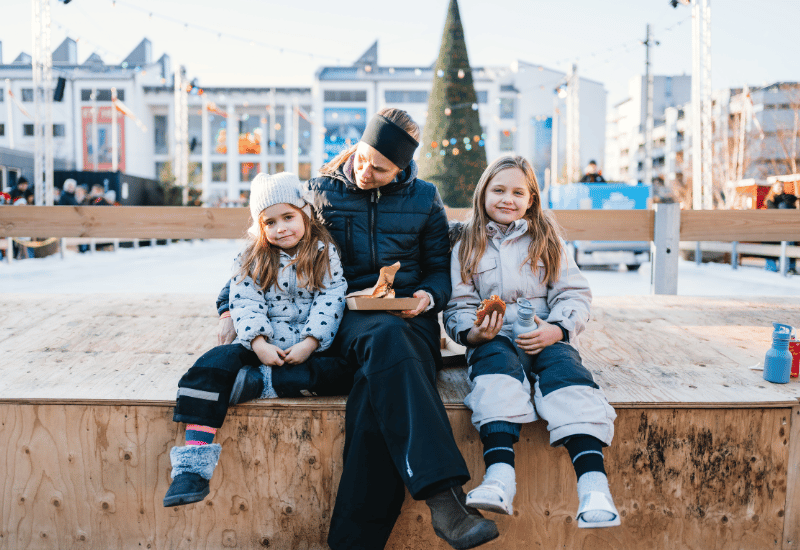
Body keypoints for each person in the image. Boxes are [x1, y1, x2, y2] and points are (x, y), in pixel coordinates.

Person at [216, 109, 499, 550]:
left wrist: (428, 296)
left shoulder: (425, 198)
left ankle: (353, 544)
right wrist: (225, 308)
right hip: (344, 318)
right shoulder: (320, 193)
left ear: (402, 167)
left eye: (381, 169)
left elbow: (438, 272)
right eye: (363, 159)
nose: (366, 172)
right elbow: (266, 248)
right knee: (382, 341)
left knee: (375, 393)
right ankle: (446, 499)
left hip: (410, 321)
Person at [443, 155, 620, 528]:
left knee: (568, 379)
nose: (508, 199)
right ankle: (499, 478)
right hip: (492, 339)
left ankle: (593, 486)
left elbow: (574, 295)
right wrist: (473, 333)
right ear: (483, 194)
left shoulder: (547, 240)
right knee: (495, 378)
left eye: (517, 192)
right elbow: (458, 304)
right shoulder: (467, 244)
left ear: (531, 199)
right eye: (499, 190)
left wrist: (558, 329)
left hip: (543, 334)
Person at [164, 172, 349, 507]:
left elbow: (331, 299)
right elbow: (245, 302)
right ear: (260, 227)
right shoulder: (252, 258)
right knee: (211, 366)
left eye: (288, 217)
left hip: (307, 347)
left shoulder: (325, 253)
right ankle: (193, 463)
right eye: (270, 222)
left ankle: (258, 384)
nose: (281, 229)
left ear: (305, 212)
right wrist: (258, 342)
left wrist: (310, 342)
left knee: (344, 372)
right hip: (260, 342)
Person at [764, 181, 798, 274]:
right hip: (774, 228)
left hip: (787, 228)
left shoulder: (788, 198)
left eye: (781, 186)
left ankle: (789, 267)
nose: (780, 188)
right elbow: (773, 212)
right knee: (771, 246)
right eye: (778, 186)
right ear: (773, 188)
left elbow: (793, 208)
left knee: (789, 243)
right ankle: (771, 268)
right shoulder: (771, 200)